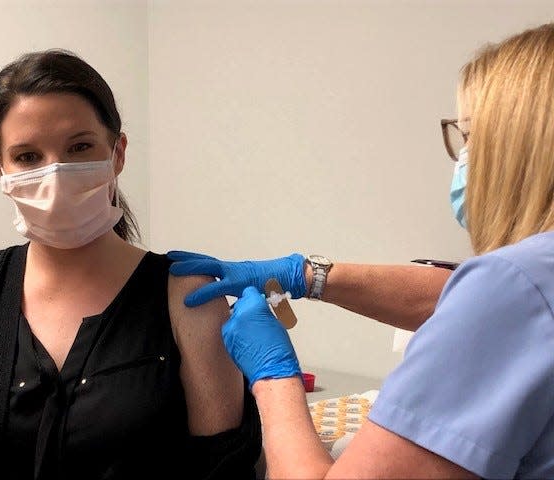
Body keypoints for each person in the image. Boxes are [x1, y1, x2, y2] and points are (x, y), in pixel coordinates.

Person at [170, 23, 554, 479]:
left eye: (468, 136)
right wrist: (306, 275)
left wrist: (274, 381)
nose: (462, 155)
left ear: (515, 150)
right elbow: (468, 302)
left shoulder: (513, 288)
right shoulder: (528, 282)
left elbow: (496, 305)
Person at [0, 49, 261, 480]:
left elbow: (223, 471)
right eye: (26, 157)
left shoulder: (189, 295)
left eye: (79, 147)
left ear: (117, 153)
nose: (55, 173)